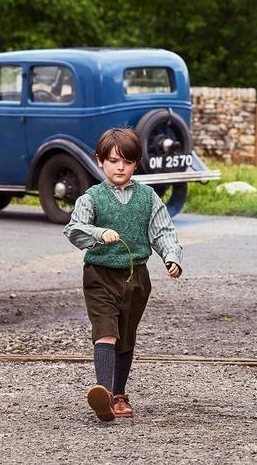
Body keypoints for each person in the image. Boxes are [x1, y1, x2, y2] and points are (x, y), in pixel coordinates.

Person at [64, 127, 183, 421]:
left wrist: (171, 256)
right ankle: (103, 394)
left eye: (127, 162)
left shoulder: (148, 197)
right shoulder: (91, 198)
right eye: (113, 161)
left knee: (125, 337)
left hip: (136, 279)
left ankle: (119, 395)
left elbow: (163, 231)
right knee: (106, 332)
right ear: (100, 161)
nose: (120, 167)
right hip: (99, 276)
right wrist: (98, 232)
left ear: (136, 163)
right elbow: (74, 229)